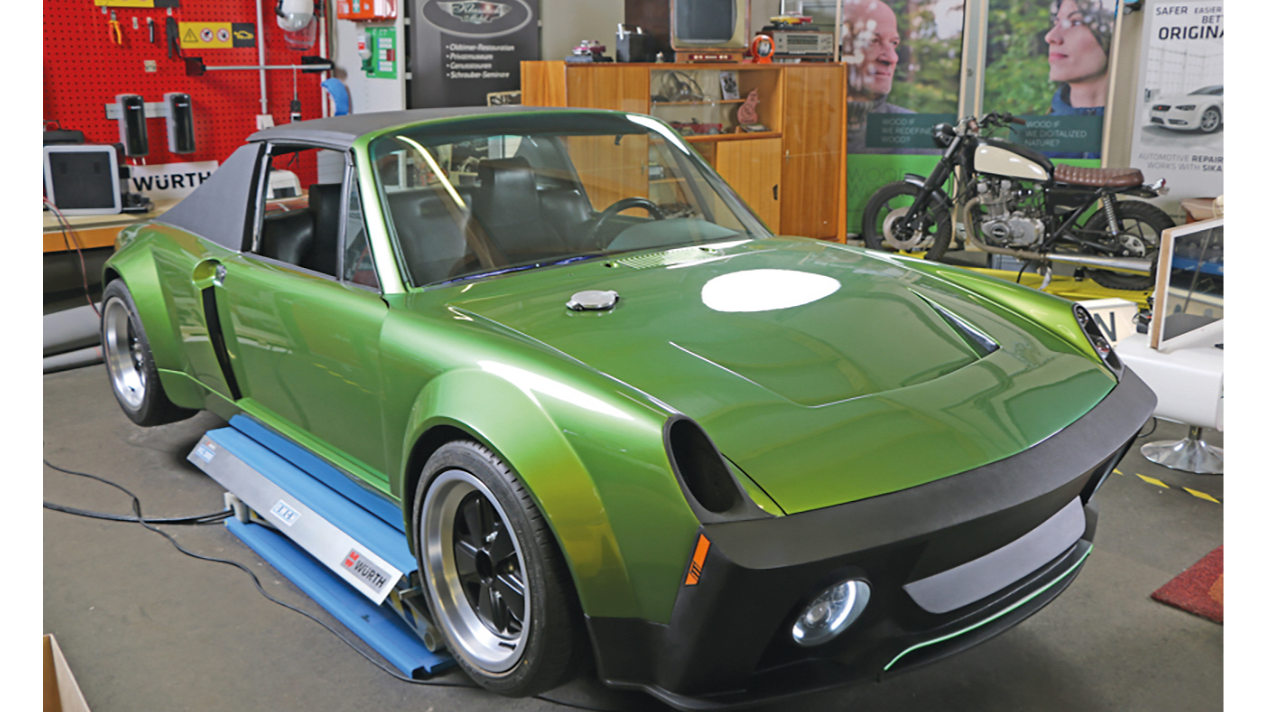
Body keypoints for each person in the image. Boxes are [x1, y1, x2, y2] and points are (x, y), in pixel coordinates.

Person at [840, 0, 912, 151]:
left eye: (893, 43)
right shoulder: (799, 124)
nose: (892, 58)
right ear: (840, 47)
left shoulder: (916, 134)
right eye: (873, 41)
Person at [1045, 0, 1113, 117]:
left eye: (1076, 22)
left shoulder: (1138, 121)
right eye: (1056, 23)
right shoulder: (1038, 127)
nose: (1050, 36)